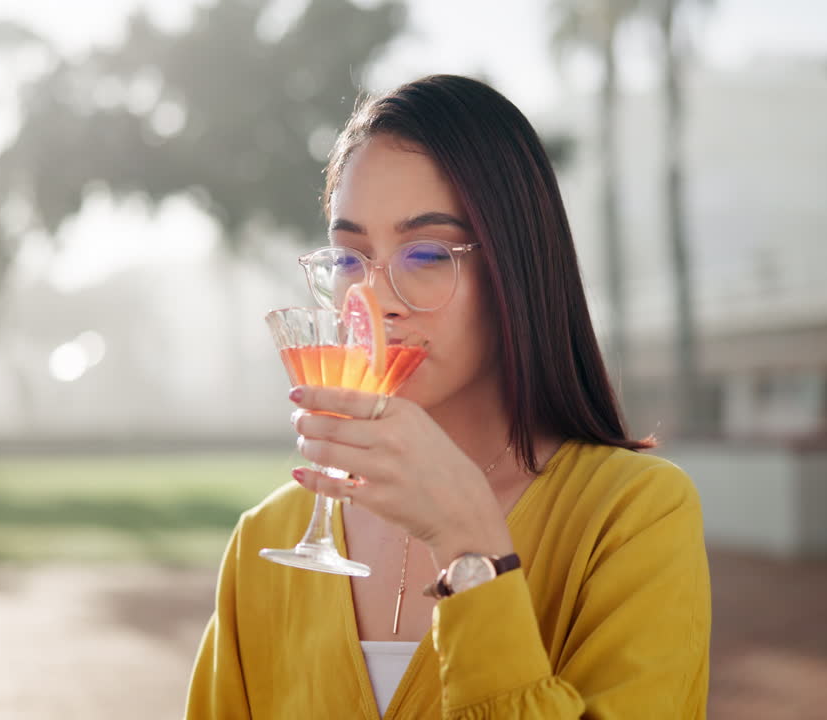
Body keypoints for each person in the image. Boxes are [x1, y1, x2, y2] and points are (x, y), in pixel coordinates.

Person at [185, 74, 710, 719]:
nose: (373, 302)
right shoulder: (267, 541)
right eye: (349, 259)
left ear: (515, 268)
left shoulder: (632, 517)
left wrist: (471, 546)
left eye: (427, 253)